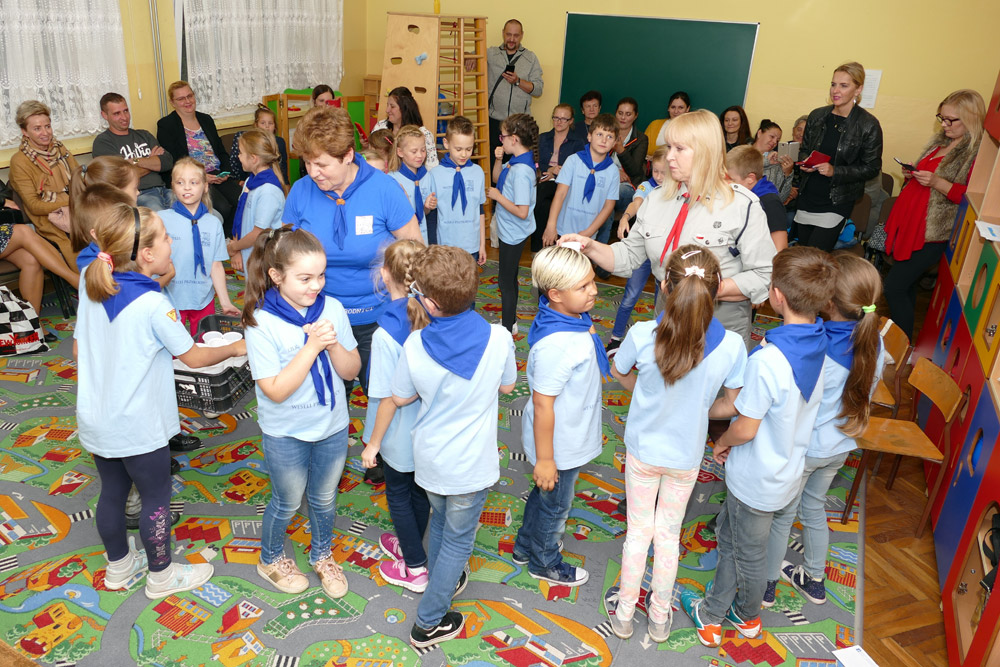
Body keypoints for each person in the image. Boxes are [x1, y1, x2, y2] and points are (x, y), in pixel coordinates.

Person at [75, 203, 246, 599]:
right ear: (147, 254)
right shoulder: (153, 304)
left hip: (97, 417)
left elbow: (81, 350)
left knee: (112, 492)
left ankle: (119, 567)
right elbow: (194, 357)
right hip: (138, 422)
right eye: (166, 237)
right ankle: (162, 575)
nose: (172, 242)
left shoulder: (92, 282)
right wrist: (237, 346)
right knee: (155, 496)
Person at [680, 246, 837, 648]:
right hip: (787, 468)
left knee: (747, 553)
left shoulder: (768, 360)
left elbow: (745, 428)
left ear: (776, 295)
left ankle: (734, 616)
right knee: (734, 539)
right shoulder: (821, 342)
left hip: (756, 477)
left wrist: (721, 442)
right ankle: (725, 606)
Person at [608, 245, 747, 642]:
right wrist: (699, 409)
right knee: (668, 536)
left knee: (638, 533)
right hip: (685, 456)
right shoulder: (733, 346)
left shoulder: (641, 334)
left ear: (665, 286)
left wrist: (646, 394)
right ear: (718, 291)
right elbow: (734, 403)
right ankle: (658, 617)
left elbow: (619, 372)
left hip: (643, 452)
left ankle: (624, 615)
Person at [389, 245, 517, 648]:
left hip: (430, 458)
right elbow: (508, 386)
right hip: (470, 465)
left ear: (430, 303)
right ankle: (428, 622)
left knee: (443, 522)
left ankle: (444, 582)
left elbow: (400, 397)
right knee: (458, 536)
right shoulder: (499, 338)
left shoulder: (414, 345)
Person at [561, 110, 776, 345]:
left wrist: (705, 289)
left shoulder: (741, 205)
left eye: (679, 149)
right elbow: (629, 255)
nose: (669, 157)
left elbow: (764, 275)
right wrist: (590, 246)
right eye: (669, 147)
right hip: (666, 314)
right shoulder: (656, 199)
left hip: (718, 321)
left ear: (705, 151)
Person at [242, 227, 361, 598]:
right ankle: (270, 558)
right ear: (276, 276)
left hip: (332, 425)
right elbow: (275, 390)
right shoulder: (261, 320)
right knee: (288, 501)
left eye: (321, 275)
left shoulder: (332, 308)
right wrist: (312, 347)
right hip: (286, 432)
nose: (316, 286)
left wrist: (334, 344)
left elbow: (351, 371)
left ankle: (322, 554)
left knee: (324, 498)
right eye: (305, 278)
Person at [764, 253, 883, 608]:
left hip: (807, 448)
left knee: (782, 516)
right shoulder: (875, 342)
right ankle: (814, 579)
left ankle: (766, 586)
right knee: (813, 507)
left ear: (827, 300)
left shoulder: (818, 348)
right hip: (841, 444)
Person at [281, 105, 423, 398]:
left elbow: (415, 253)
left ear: (348, 155)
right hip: (318, 318)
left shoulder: (384, 189)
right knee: (327, 399)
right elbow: (286, 255)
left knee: (384, 398)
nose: (313, 172)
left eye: (321, 164)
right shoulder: (301, 191)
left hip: (379, 318)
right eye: (307, 163)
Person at [513, 246, 605, 588]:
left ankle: (525, 545)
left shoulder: (568, 319)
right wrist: (546, 459)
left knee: (544, 496)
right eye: (583, 286)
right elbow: (542, 405)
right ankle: (544, 561)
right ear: (555, 294)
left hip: (566, 431)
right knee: (556, 506)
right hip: (559, 443)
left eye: (592, 282)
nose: (594, 291)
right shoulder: (558, 345)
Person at [883, 89, 984, 339]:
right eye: (942, 118)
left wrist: (937, 182)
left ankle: (901, 342)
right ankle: (903, 341)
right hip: (911, 223)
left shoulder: (976, 153)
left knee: (894, 287)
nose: (944, 124)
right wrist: (912, 174)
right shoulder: (941, 142)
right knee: (906, 287)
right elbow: (926, 179)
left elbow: (971, 197)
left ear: (970, 118)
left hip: (932, 231)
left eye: (951, 120)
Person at [361, 240, 430, 593]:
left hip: (398, 432)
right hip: (429, 427)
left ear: (384, 274)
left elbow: (385, 397)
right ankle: (410, 544)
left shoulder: (385, 333)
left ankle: (415, 567)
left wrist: (372, 442)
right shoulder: (435, 315)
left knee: (399, 495)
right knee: (420, 492)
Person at [795, 62, 883, 252]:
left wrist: (835, 171)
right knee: (802, 253)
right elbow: (805, 149)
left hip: (837, 200)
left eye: (844, 85)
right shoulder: (817, 116)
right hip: (809, 194)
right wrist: (805, 161)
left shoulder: (868, 125)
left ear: (858, 89)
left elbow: (872, 168)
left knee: (815, 257)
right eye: (833, 84)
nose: (835, 90)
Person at [159, 158, 240, 334]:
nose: (186, 188)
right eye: (180, 182)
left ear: (205, 186)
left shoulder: (213, 223)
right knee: (172, 346)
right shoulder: (161, 219)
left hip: (203, 299)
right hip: (170, 298)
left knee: (206, 342)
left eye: (193, 182)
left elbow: (216, 265)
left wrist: (225, 302)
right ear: (173, 186)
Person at [156, 81, 242, 234]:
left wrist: (226, 172)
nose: (187, 101)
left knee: (241, 199)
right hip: (193, 178)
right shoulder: (166, 125)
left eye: (190, 96)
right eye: (181, 99)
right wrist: (201, 177)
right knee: (222, 208)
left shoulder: (206, 119)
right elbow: (173, 163)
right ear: (172, 103)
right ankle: (221, 238)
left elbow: (220, 151)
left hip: (217, 174)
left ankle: (232, 237)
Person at [606, 146, 669, 355]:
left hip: (664, 256)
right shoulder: (646, 186)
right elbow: (637, 202)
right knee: (630, 296)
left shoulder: (678, 193)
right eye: (655, 171)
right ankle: (616, 338)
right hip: (642, 251)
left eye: (664, 173)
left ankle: (657, 341)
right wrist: (625, 217)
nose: (658, 177)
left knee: (662, 301)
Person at [9, 100, 79, 267]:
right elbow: (34, 206)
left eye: (47, 126)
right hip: (49, 218)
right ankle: (87, 280)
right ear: (24, 132)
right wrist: (72, 202)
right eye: (37, 128)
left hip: (77, 208)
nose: (45, 133)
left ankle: (114, 275)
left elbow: (79, 178)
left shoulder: (59, 148)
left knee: (111, 224)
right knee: (80, 239)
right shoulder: (19, 161)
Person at [488, 113, 539, 333]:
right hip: (510, 230)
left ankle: (507, 329)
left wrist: (498, 197)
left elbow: (522, 211)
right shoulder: (517, 161)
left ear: (514, 139)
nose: (501, 140)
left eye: (503, 137)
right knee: (510, 277)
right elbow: (496, 178)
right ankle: (512, 321)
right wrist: (499, 160)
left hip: (513, 233)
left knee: (505, 282)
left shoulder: (521, 171)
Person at [542, 113, 618, 246]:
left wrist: (589, 232)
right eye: (599, 134)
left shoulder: (613, 171)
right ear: (589, 136)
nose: (604, 140)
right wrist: (551, 225)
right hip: (562, 229)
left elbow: (608, 206)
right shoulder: (573, 161)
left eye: (610, 136)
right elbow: (560, 194)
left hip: (588, 233)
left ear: (615, 142)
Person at [471, 19, 543, 158]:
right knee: (492, 161)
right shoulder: (491, 53)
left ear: (522, 35)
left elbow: (538, 89)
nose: (511, 39)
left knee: (516, 163)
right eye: (508, 34)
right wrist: (469, 58)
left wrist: (518, 81)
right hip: (494, 122)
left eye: (516, 35)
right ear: (503, 33)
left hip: (520, 124)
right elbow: (469, 55)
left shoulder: (531, 58)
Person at [93, 93, 175, 210]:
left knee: (196, 208)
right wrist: (151, 162)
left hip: (165, 190)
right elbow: (120, 177)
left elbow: (167, 162)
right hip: (139, 195)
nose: (124, 117)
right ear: (105, 115)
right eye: (117, 113)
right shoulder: (103, 142)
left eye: (126, 111)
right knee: (159, 216)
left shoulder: (144, 135)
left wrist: (135, 161)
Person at [227, 129, 286, 273]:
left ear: (253, 158)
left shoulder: (268, 191)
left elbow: (258, 234)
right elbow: (240, 216)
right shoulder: (250, 181)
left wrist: (234, 247)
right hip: (249, 253)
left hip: (264, 260)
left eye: (241, 153)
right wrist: (237, 251)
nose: (238, 156)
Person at [431, 116, 487, 262]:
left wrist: (482, 245)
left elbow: (480, 210)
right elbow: (433, 214)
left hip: (472, 245)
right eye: (458, 149)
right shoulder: (435, 174)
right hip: (445, 247)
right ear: (446, 143)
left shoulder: (478, 172)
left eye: (469, 149)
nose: (464, 154)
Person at [532, 103, 586, 252]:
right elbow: (534, 162)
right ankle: (542, 246)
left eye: (563, 119)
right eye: (556, 118)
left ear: (571, 121)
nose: (559, 122)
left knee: (543, 194)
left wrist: (558, 172)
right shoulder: (543, 138)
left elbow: (580, 167)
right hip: (544, 179)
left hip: (566, 184)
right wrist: (549, 169)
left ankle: (540, 247)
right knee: (543, 201)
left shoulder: (578, 142)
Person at [727, 145, 789, 251]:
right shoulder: (742, 196)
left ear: (750, 178)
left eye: (732, 180)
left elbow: (780, 248)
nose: (726, 184)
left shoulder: (770, 202)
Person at [388, 125, 436, 243]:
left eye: (423, 150)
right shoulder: (392, 179)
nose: (420, 155)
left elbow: (424, 213)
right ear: (400, 152)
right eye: (414, 151)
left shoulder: (426, 176)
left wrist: (427, 207)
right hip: (402, 242)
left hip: (422, 239)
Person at [372, 87, 439, 168]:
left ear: (404, 109)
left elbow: (432, 167)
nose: (387, 110)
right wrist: (366, 145)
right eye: (387, 105)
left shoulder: (423, 134)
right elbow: (371, 155)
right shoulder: (381, 126)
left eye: (392, 106)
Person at [610, 98, 649, 228]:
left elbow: (635, 171)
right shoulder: (607, 132)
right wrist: (615, 171)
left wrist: (621, 150)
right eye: (620, 113)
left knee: (611, 193)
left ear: (635, 116)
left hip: (629, 185)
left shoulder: (641, 139)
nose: (623, 118)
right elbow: (596, 160)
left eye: (628, 114)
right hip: (607, 180)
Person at [229, 105, 289, 185]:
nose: (267, 126)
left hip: (273, 181)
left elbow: (283, 168)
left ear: (275, 126)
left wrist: (286, 185)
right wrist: (241, 181)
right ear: (256, 125)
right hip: (251, 181)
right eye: (263, 123)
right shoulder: (249, 142)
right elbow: (239, 165)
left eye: (270, 123)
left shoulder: (280, 142)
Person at [751, 119, 794, 202]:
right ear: (759, 133)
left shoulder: (776, 162)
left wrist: (787, 175)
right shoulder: (741, 152)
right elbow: (741, 168)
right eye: (772, 137)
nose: (774, 142)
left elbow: (781, 198)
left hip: (766, 207)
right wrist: (766, 161)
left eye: (777, 140)